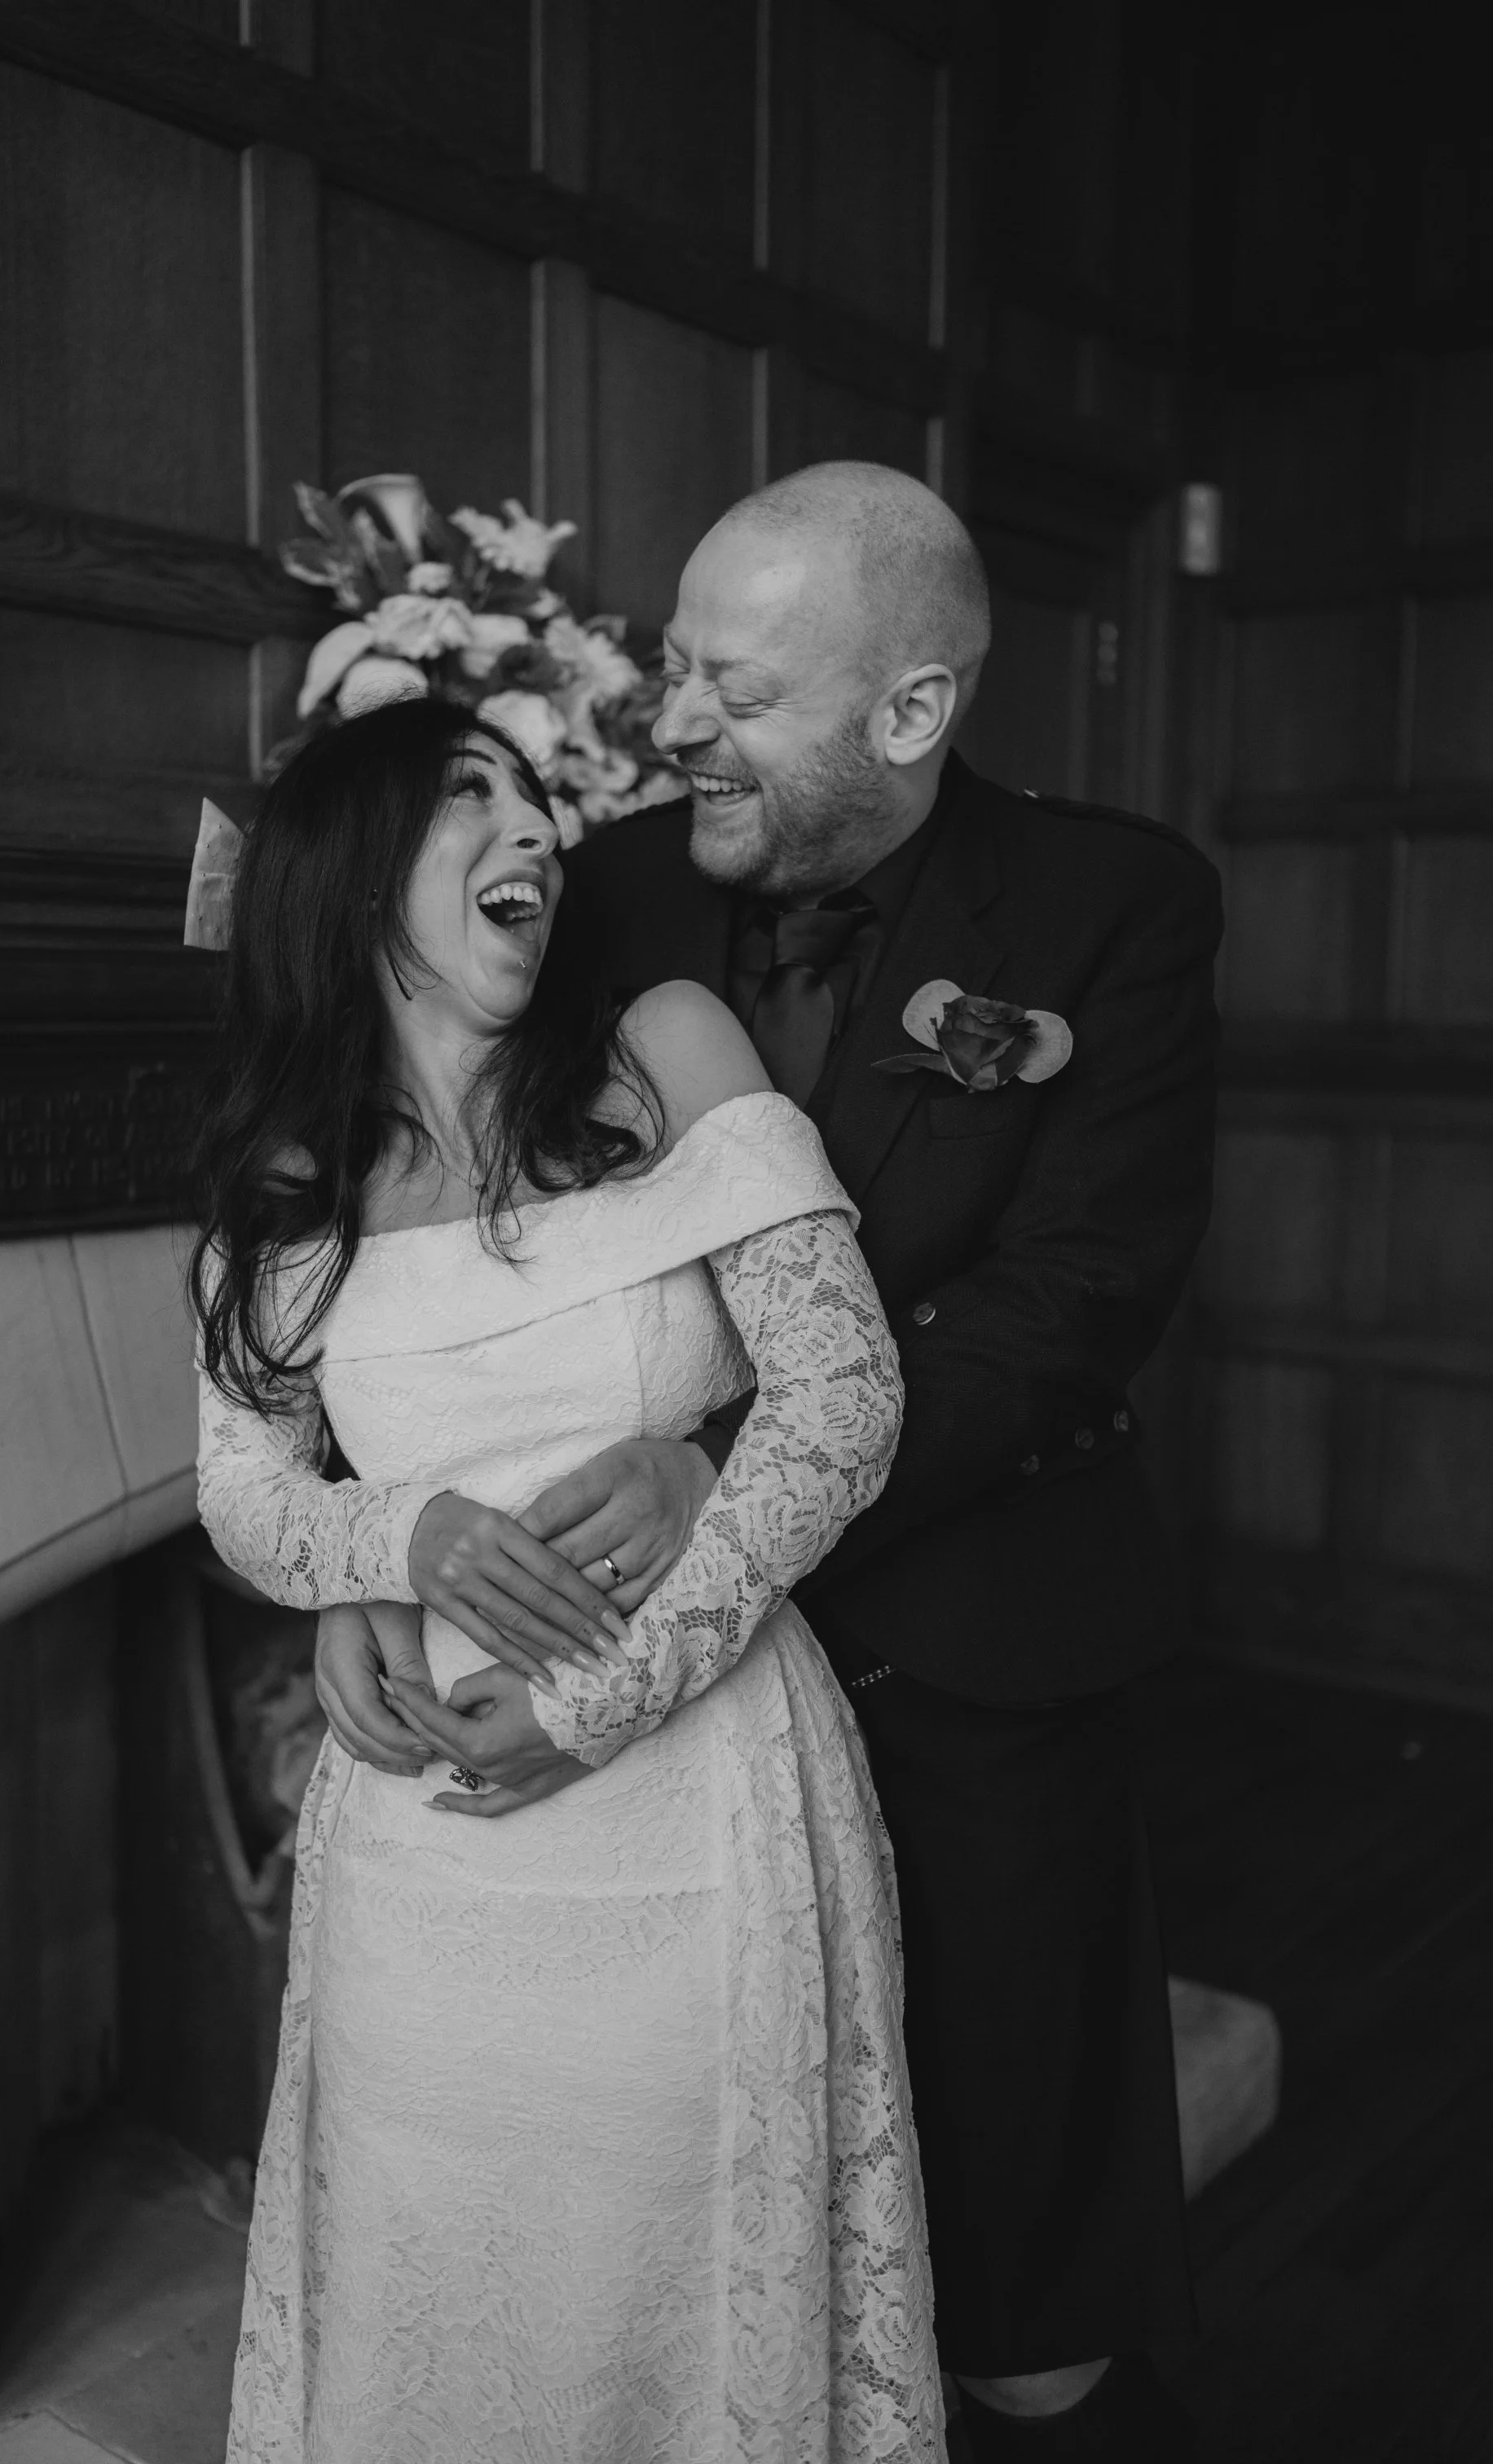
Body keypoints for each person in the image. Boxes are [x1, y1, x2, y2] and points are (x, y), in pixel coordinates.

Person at [527, 462, 1221, 2459]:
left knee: (1017, 2238)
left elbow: (1072, 1299)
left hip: (980, 1638)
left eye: (734, 691)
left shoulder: (1116, 904)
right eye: (674, 666)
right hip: (676, 1677)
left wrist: (734, 1479)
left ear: (909, 710)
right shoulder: (609, 889)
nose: (673, 724)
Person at [191, 697, 947, 2462]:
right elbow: (243, 1495)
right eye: (476, 797)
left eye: (540, 796)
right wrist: (401, 1540)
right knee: (438, 2282)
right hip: (422, 1844)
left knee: (680, 2292)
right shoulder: (290, 1172)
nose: (534, 827)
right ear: (352, 876)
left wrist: (599, 1691)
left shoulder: (665, 1046)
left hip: (695, 1798)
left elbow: (843, 1403)